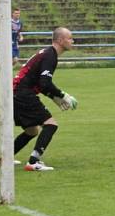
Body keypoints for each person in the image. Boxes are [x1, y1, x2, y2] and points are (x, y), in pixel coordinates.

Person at [13, 27, 78, 171]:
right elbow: (45, 83)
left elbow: (41, 85)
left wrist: (54, 98)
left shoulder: (47, 53)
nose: (72, 41)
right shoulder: (50, 56)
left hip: (16, 93)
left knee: (32, 131)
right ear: (60, 40)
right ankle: (33, 161)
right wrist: (63, 95)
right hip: (23, 94)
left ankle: (4, 158)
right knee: (51, 125)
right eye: (70, 38)